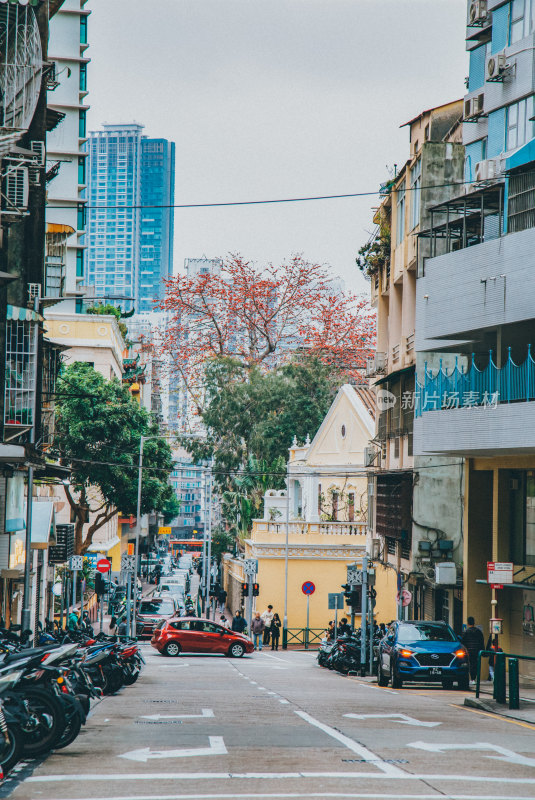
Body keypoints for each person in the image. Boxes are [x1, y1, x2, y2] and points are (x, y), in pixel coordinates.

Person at [461, 616, 485, 683]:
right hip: (477, 651)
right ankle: (475, 678)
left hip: (469, 651)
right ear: (474, 623)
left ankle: (472, 679)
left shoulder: (466, 632)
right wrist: (482, 650)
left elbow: (462, 642)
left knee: (470, 664)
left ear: (468, 623)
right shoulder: (479, 632)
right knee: (476, 664)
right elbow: (481, 641)